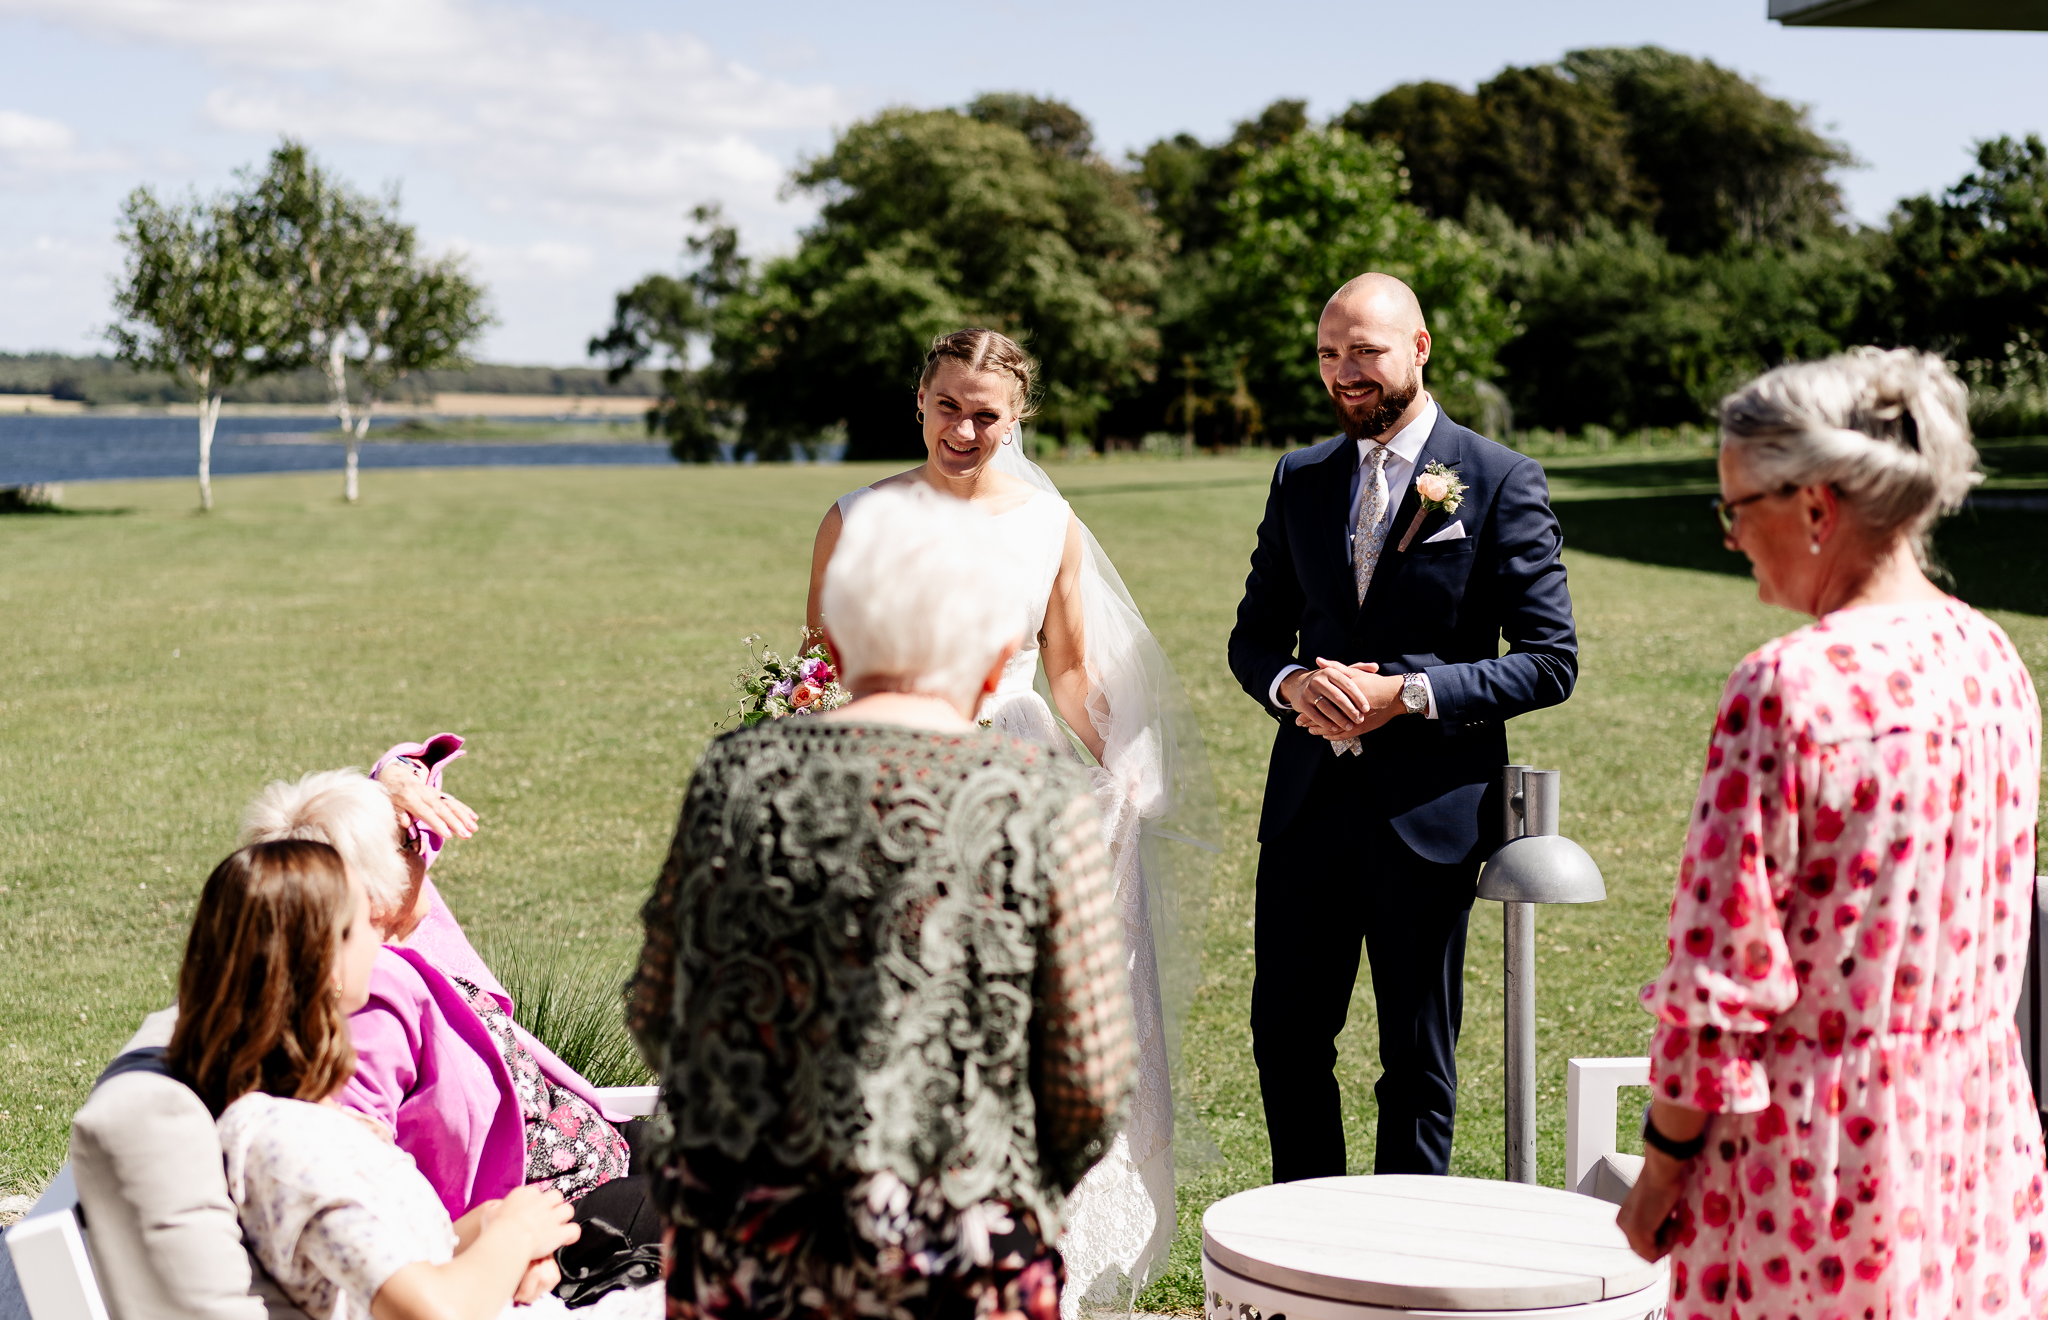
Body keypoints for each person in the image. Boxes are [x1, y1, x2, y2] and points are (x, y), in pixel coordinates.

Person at [633, 485, 1135, 1320]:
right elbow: (1091, 1077)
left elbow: (658, 1013)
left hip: (744, 1236)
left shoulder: (736, 775)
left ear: (842, 627)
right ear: (994, 652)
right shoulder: (1042, 804)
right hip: (959, 1244)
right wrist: (1007, 1179)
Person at [1615, 349, 2044, 1319]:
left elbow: (1718, 984)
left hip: (1813, 1163)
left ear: (1814, 507)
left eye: (1734, 509)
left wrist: (1659, 1168)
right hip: (1972, 1140)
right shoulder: (1990, 659)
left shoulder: (1783, 690)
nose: (1728, 539)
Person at [802, 328, 1217, 1311]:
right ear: (919, 402)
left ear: (1017, 417)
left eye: (985, 412)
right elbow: (822, 672)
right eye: (947, 405)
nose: (964, 427)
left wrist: (1121, 753)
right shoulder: (853, 518)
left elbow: (1068, 669)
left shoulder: (1047, 522)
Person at [1227, 273, 1578, 1181]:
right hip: (1304, 809)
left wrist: (1408, 694)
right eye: (1329, 354)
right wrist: (1292, 682)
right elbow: (1253, 635)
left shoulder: (1499, 479)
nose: (1345, 372)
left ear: (1420, 347)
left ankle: (1399, 1270)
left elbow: (1549, 660)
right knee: (1286, 1042)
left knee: (1415, 1064)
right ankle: (1306, 1259)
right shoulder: (1299, 477)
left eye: (1366, 352)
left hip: (1428, 814)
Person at [240, 752, 659, 1304]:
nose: (423, 848)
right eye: (408, 842)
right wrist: (506, 1247)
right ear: (365, 893)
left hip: (607, 1147)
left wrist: (393, 778)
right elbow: (378, 1176)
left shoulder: (411, 938)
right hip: (564, 1216)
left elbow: (393, 815)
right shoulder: (368, 1006)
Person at [168, 837, 585, 1320]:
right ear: (326, 962)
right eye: (364, 919)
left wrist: (492, 1235)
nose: (381, 930)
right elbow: (431, 1313)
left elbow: (389, 1260)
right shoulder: (283, 1142)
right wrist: (516, 1236)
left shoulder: (304, 1117)